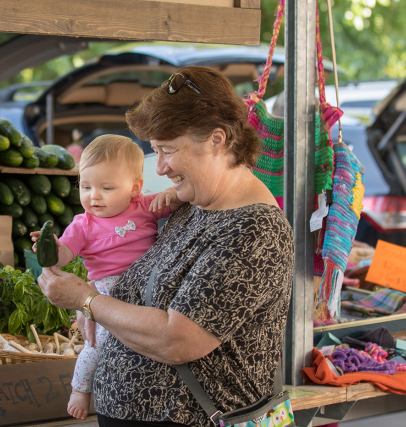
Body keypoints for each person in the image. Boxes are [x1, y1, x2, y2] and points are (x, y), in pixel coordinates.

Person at [38, 66, 295, 427]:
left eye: (167, 150)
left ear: (216, 141)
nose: (160, 166)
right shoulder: (194, 204)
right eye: (155, 150)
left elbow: (178, 340)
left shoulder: (254, 229)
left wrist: (87, 300)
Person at [31, 134, 183, 420]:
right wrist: (49, 245)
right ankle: (80, 388)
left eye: (107, 187)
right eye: (85, 186)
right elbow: (64, 254)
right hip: (108, 290)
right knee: (97, 344)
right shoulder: (83, 224)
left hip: (148, 287)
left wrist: (171, 194)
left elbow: (178, 199)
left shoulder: (143, 206)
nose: (93, 196)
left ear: (135, 187)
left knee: (151, 337)